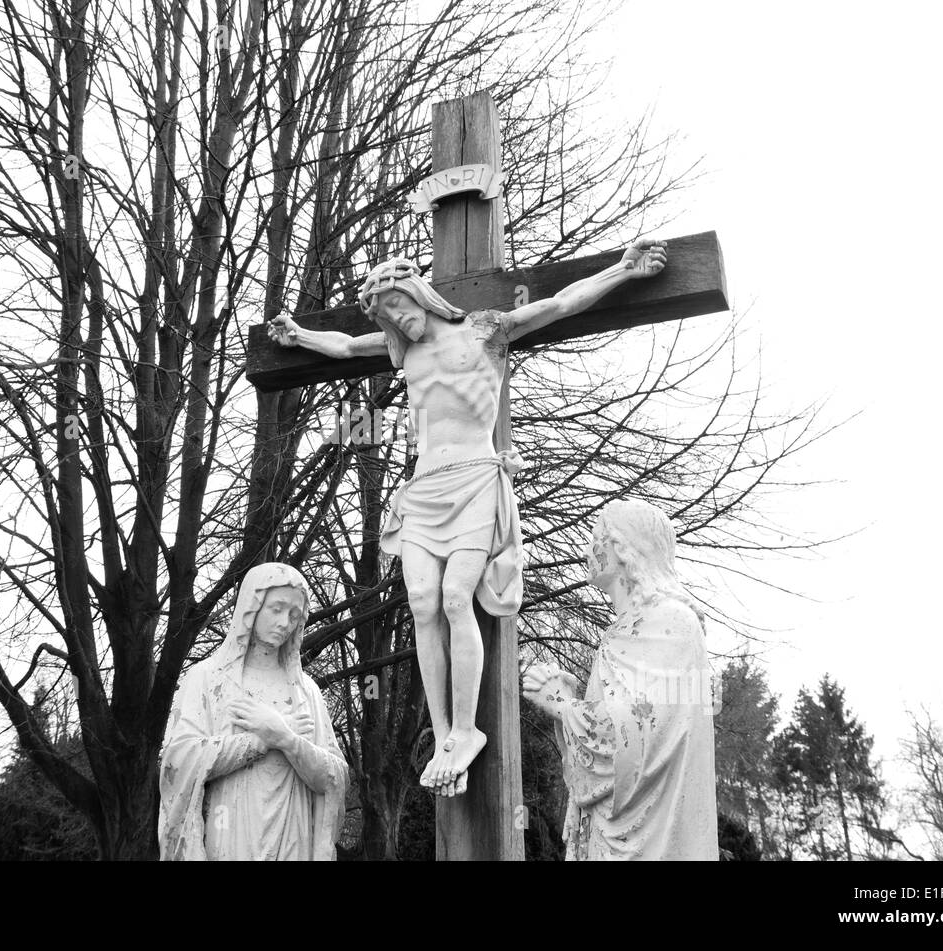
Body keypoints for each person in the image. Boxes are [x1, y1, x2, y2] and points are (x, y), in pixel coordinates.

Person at [268, 240, 667, 796]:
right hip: (424, 489)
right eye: (388, 320)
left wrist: (623, 270)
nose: (398, 324)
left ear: (419, 295)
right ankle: (443, 733)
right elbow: (344, 346)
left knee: (458, 598)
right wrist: (300, 336)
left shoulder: (486, 329)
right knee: (423, 604)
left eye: (400, 310)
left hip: (477, 476)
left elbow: (559, 304)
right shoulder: (401, 352)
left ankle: (466, 728)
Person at [522, 498, 718, 860]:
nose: (589, 549)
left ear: (625, 548)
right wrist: (570, 702)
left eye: (597, 537)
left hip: (653, 842)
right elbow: (612, 737)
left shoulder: (673, 623)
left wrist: (561, 704)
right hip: (608, 834)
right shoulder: (616, 634)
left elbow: (630, 740)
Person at [158, 563, 348, 860]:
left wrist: (286, 739)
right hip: (230, 833)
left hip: (293, 838)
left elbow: (334, 777)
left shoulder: (305, 691)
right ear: (252, 606)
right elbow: (179, 763)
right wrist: (259, 742)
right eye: (277, 608)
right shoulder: (209, 678)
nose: (285, 622)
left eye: (294, 615)